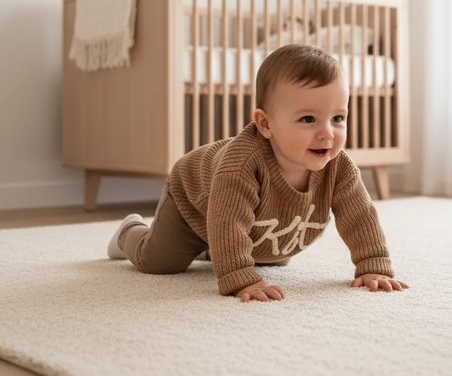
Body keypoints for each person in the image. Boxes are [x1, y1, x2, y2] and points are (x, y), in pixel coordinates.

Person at [107, 44, 409, 302]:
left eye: (337, 118)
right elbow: (227, 220)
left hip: (259, 227)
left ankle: (216, 249)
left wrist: (373, 264)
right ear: (265, 124)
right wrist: (240, 277)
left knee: (273, 257)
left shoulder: (339, 167)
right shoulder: (241, 166)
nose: (327, 133)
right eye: (308, 119)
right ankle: (129, 232)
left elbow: (360, 216)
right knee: (161, 263)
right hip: (194, 202)